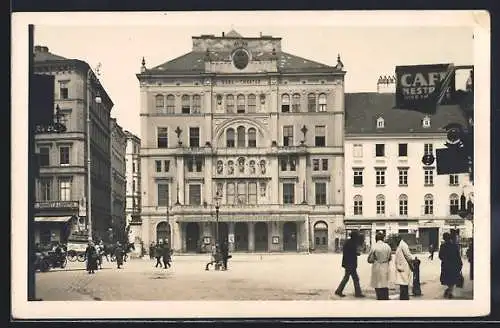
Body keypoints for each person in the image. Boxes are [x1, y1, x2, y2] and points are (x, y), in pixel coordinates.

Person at [334, 231, 365, 298]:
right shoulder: (352, 243)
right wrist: (357, 253)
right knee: (354, 278)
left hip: (347, 263)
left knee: (348, 278)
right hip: (351, 264)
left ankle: (339, 291)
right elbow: (354, 253)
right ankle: (357, 293)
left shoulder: (347, 242)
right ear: (355, 237)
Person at [367, 231, 392, 300]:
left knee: (377, 283)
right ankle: (386, 297)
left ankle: (379, 297)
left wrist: (375, 259)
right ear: (383, 238)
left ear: (376, 239)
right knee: (385, 283)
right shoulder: (387, 246)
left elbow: (369, 259)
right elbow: (390, 258)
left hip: (377, 266)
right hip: (385, 266)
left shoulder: (374, 246)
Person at [439, 232, 463, 299]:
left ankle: (449, 291)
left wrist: (445, 259)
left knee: (447, 279)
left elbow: (440, 256)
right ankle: (450, 291)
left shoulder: (442, 246)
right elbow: (458, 256)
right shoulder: (455, 246)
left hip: (446, 265)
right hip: (453, 265)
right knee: (452, 279)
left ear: (444, 238)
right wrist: (460, 264)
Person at [394, 235, 414, 300]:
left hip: (404, 267)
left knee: (404, 284)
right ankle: (403, 297)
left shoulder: (403, 245)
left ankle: (404, 298)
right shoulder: (400, 245)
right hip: (401, 267)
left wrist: (412, 264)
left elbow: (408, 256)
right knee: (402, 284)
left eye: (396, 239)